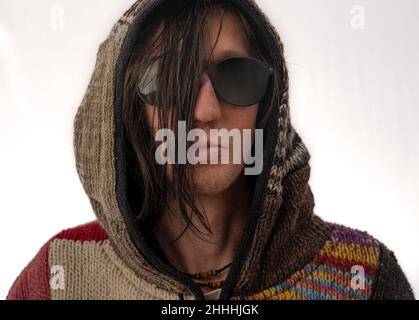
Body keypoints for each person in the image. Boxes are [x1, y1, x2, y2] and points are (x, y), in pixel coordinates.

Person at [7, 0, 414, 300]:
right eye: (169, 79)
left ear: (269, 103)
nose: (205, 111)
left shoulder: (364, 278)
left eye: (236, 75)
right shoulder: (57, 278)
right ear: (127, 109)